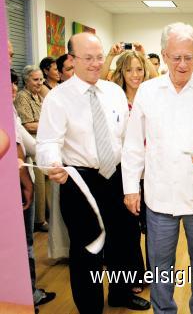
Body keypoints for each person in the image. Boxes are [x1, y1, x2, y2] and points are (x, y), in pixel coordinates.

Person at [36, 32, 150, 313]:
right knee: (87, 249)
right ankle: (90, 308)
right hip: (79, 181)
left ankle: (121, 295)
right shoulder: (59, 98)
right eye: (88, 58)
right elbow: (48, 141)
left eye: (99, 57)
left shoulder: (113, 92)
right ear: (72, 60)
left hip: (117, 178)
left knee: (124, 240)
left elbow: (127, 138)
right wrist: (52, 164)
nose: (96, 63)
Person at [121, 22, 193, 314]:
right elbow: (133, 145)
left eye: (188, 57)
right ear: (164, 55)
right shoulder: (148, 92)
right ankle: (164, 311)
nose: (182, 64)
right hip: (159, 196)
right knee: (160, 266)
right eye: (176, 57)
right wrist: (130, 188)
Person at [110, 49, 151, 293]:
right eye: (129, 70)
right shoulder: (115, 98)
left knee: (153, 228)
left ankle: (154, 273)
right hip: (127, 172)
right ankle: (136, 274)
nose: (135, 75)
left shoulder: (151, 95)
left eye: (139, 69)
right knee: (129, 229)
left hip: (152, 171)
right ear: (121, 73)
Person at [14, 65, 51, 233]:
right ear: (26, 81)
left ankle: (47, 216)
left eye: (41, 79)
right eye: (35, 80)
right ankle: (39, 220)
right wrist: (47, 124)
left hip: (44, 144)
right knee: (39, 185)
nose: (40, 83)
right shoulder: (22, 97)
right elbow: (28, 125)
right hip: (32, 148)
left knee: (48, 186)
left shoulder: (39, 96)